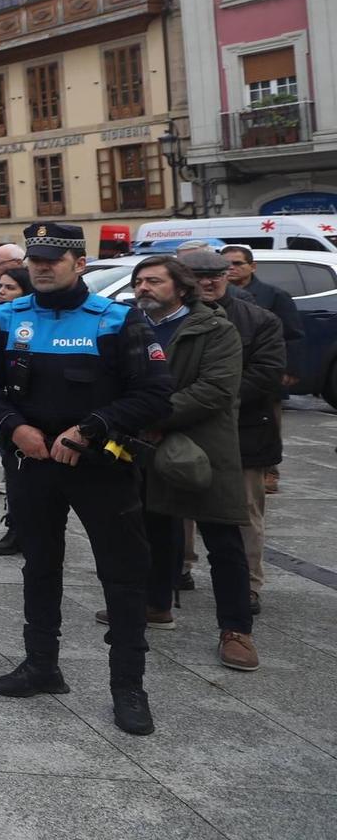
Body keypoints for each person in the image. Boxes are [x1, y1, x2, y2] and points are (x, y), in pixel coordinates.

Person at [0, 222, 173, 737]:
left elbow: (154, 393)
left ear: (79, 264)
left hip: (100, 465)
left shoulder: (117, 320)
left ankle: (129, 686)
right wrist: (13, 427)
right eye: (35, 258)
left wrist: (89, 429)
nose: (41, 266)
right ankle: (41, 665)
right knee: (39, 566)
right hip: (33, 463)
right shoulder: (9, 316)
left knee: (122, 576)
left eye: (54, 259)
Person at [127, 254, 258, 670]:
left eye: (154, 282)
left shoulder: (215, 328)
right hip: (145, 445)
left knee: (222, 539)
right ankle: (155, 605)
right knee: (155, 528)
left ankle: (236, 630)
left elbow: (215, 390)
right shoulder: (131, 326)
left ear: (180, 288)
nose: (143, 288)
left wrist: (150, 416)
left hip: (203, 446)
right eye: (139, 282)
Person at [188, 258, 287, 619]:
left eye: (215, 275)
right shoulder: (171, 317)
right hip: (182, 427)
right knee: (173, 507)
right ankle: (177, 571)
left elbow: (268, 373)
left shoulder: (258, 318)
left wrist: (214, 398)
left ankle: (248, 584)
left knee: (243, 510)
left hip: (244, 429)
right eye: (199, 276)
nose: (208, 282)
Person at [222, 245, 301, 494]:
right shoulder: (216, 295)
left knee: (269, 423)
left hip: (265, 371)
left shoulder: (273, 295)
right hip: (236, 370)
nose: (232, 269)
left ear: (252, 266)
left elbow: (293, 334)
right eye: (227, 265)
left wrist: (291, 368)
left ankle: (270, 471)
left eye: (238, 264)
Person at [0, 266, 33, 555]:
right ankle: (16, 526)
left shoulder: (31, 321)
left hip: (33, 410)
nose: (2, 292)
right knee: (13, 473)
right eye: (0, 286)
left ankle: (35, 528)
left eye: (10, 287)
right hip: (5, 413)